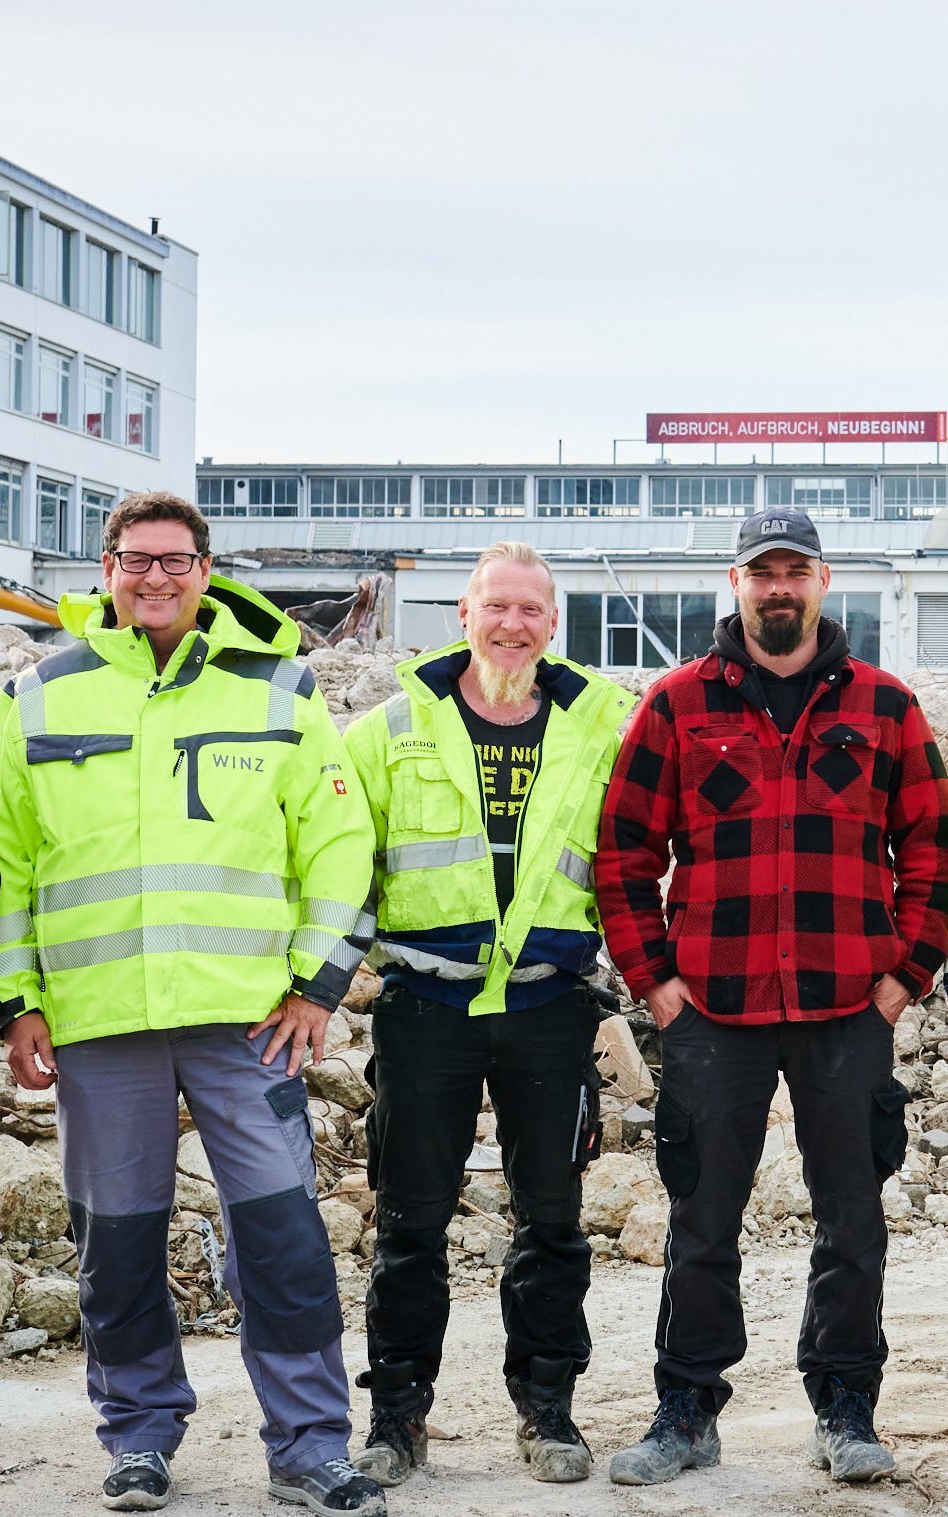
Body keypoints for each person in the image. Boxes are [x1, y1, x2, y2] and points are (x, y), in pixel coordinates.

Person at [0, 492, 385, 1515]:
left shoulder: (278, 689)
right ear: (104, 569)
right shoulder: (37, 698)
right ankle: (139, 1433)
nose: (155, 577)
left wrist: (313, 983)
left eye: (176, 560)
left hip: (249, 1020)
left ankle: (308, 1444)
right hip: (99, 1021)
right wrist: (15, 1000)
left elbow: (337, 849)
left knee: (283, 1238)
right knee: (116, 1242)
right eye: (135, 559)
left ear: (206, 570)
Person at [594, 505, 948, 1489]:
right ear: (737, 583)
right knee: (702, 1217)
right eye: (764, 571)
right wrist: (655, 982)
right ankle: (685, 1410)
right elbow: (623, 852)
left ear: (823, 583)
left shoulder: (884, 706)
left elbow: (930, 848)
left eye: (797, 570)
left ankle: (844, 1407)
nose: (780, 586)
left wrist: (902, 977)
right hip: (712, 1008)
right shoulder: (677, 705)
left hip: (848, 1007)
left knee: (852, 1217)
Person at [340, 542, 634, 1487]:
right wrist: (317, 985)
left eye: (531, 610)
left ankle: (548, 1408)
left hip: (551, 1006)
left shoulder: (605, 729)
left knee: (552, 1221)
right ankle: (396, 1416)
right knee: (410, 1224)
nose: (512, 624)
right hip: (428, 1005)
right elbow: (344, 868)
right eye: (495, 606)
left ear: (555, 623)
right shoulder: (386, 732)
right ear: (462, 615)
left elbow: (642, 858)